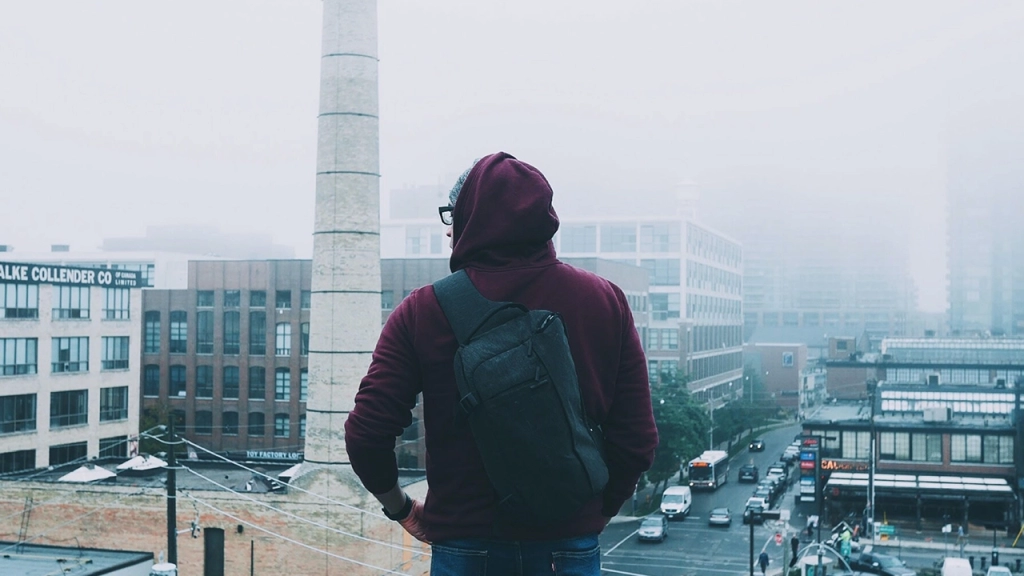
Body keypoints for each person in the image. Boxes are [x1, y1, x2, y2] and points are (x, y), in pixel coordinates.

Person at [344, 152, 659, 575]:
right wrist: (596, 513)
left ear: (468, 219)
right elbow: (637, 439)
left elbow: (366, 435)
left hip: (465, 549)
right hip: (567, 548)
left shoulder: (423, 311)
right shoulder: (604, 300)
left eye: (449, 218)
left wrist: (401, 509)